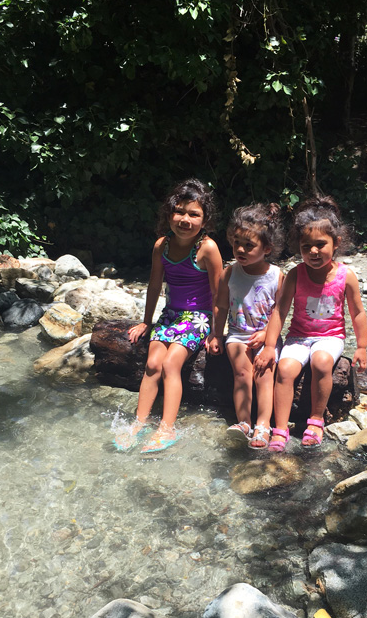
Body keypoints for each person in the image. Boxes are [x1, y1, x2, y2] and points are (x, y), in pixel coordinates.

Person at [117, 178, 222, 454]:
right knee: (153, 363)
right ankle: (139, 423)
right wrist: (146, 321)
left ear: (205, 220)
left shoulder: (207, 248)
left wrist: (216, 332)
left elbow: (219, 292)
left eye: (194, 214)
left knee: (170, 363)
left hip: (198, 317)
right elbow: (154, 285)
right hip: (170, 315)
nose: (185, 219)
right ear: (169, 214)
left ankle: (167, 428)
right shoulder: (161, 246)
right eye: (179, 212)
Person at [254, 195, 367, 452]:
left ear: (336, 243)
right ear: (299, 247)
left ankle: (316, 420)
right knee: (285, 369)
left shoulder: (345, 276)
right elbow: (280, 311)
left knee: (322, 362)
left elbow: (358, 313)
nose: (313, 251)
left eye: (320, 244)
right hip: (299, 337)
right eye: (307, 246)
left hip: (331, 337)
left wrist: (361, 347)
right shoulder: (296, 274)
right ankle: (280, 428)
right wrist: (270, 346)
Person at [210, 203, 284, 449]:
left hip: (266, 335)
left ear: (267, 249)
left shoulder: (276, 275)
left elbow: (280, 311)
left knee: (264, 373)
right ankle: (244, 422)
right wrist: (216, 335)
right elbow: (221, 306)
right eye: (237, 243)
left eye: (249, 245)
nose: (240, 249)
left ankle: (263, 425)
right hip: (238, 334)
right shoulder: (229, 273)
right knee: (242, 373)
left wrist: (267, 335)